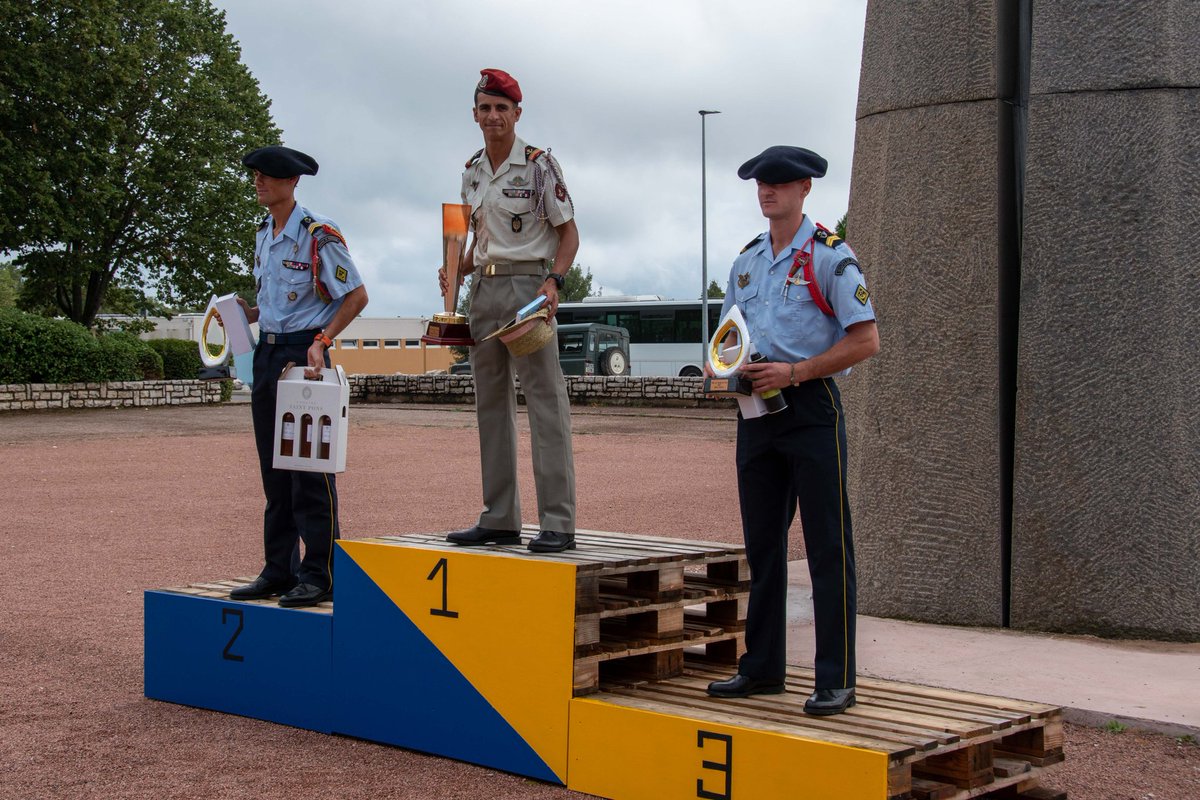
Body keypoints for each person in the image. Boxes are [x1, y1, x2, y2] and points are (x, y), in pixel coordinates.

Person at [705, 145, 879, 716]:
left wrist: (797, 370)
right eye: (760, 182)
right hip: (757, 413)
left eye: (779, 182)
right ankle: (762, 668)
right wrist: (722, 368)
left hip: (810, 409)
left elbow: (865, 340)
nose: (766, 190)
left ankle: (836, 677)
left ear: (805, 189)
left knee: (828, 545)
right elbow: (728, 338)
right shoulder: (747, 261)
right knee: (763, 546)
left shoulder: (831, 257)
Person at [439, 68, 580, 554]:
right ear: (474, 114)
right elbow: (469, 237)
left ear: (517, 114)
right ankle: (499, 518)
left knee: (545, 403)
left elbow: (569, 234)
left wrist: (553, 281)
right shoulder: (471, 169)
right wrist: (454, 273)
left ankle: (558, 521)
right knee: (490, 406)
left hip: (528, 290)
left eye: (502, 108)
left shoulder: (540, 165)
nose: (493, 116)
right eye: (485, 108)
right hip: (483, 290)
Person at [228, 145, 369, 608]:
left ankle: (320, 572)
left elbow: (356, 296)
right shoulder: (265, 234)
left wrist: (323, 341)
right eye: (255, 175)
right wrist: (239, 314)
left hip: (304, 356)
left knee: (309, 471)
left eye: (268, 176)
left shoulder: (318, 235)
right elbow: (272, 302)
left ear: (293, 183)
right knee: (275, 470)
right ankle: (279, 569)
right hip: (268, 357)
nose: (259, 182)